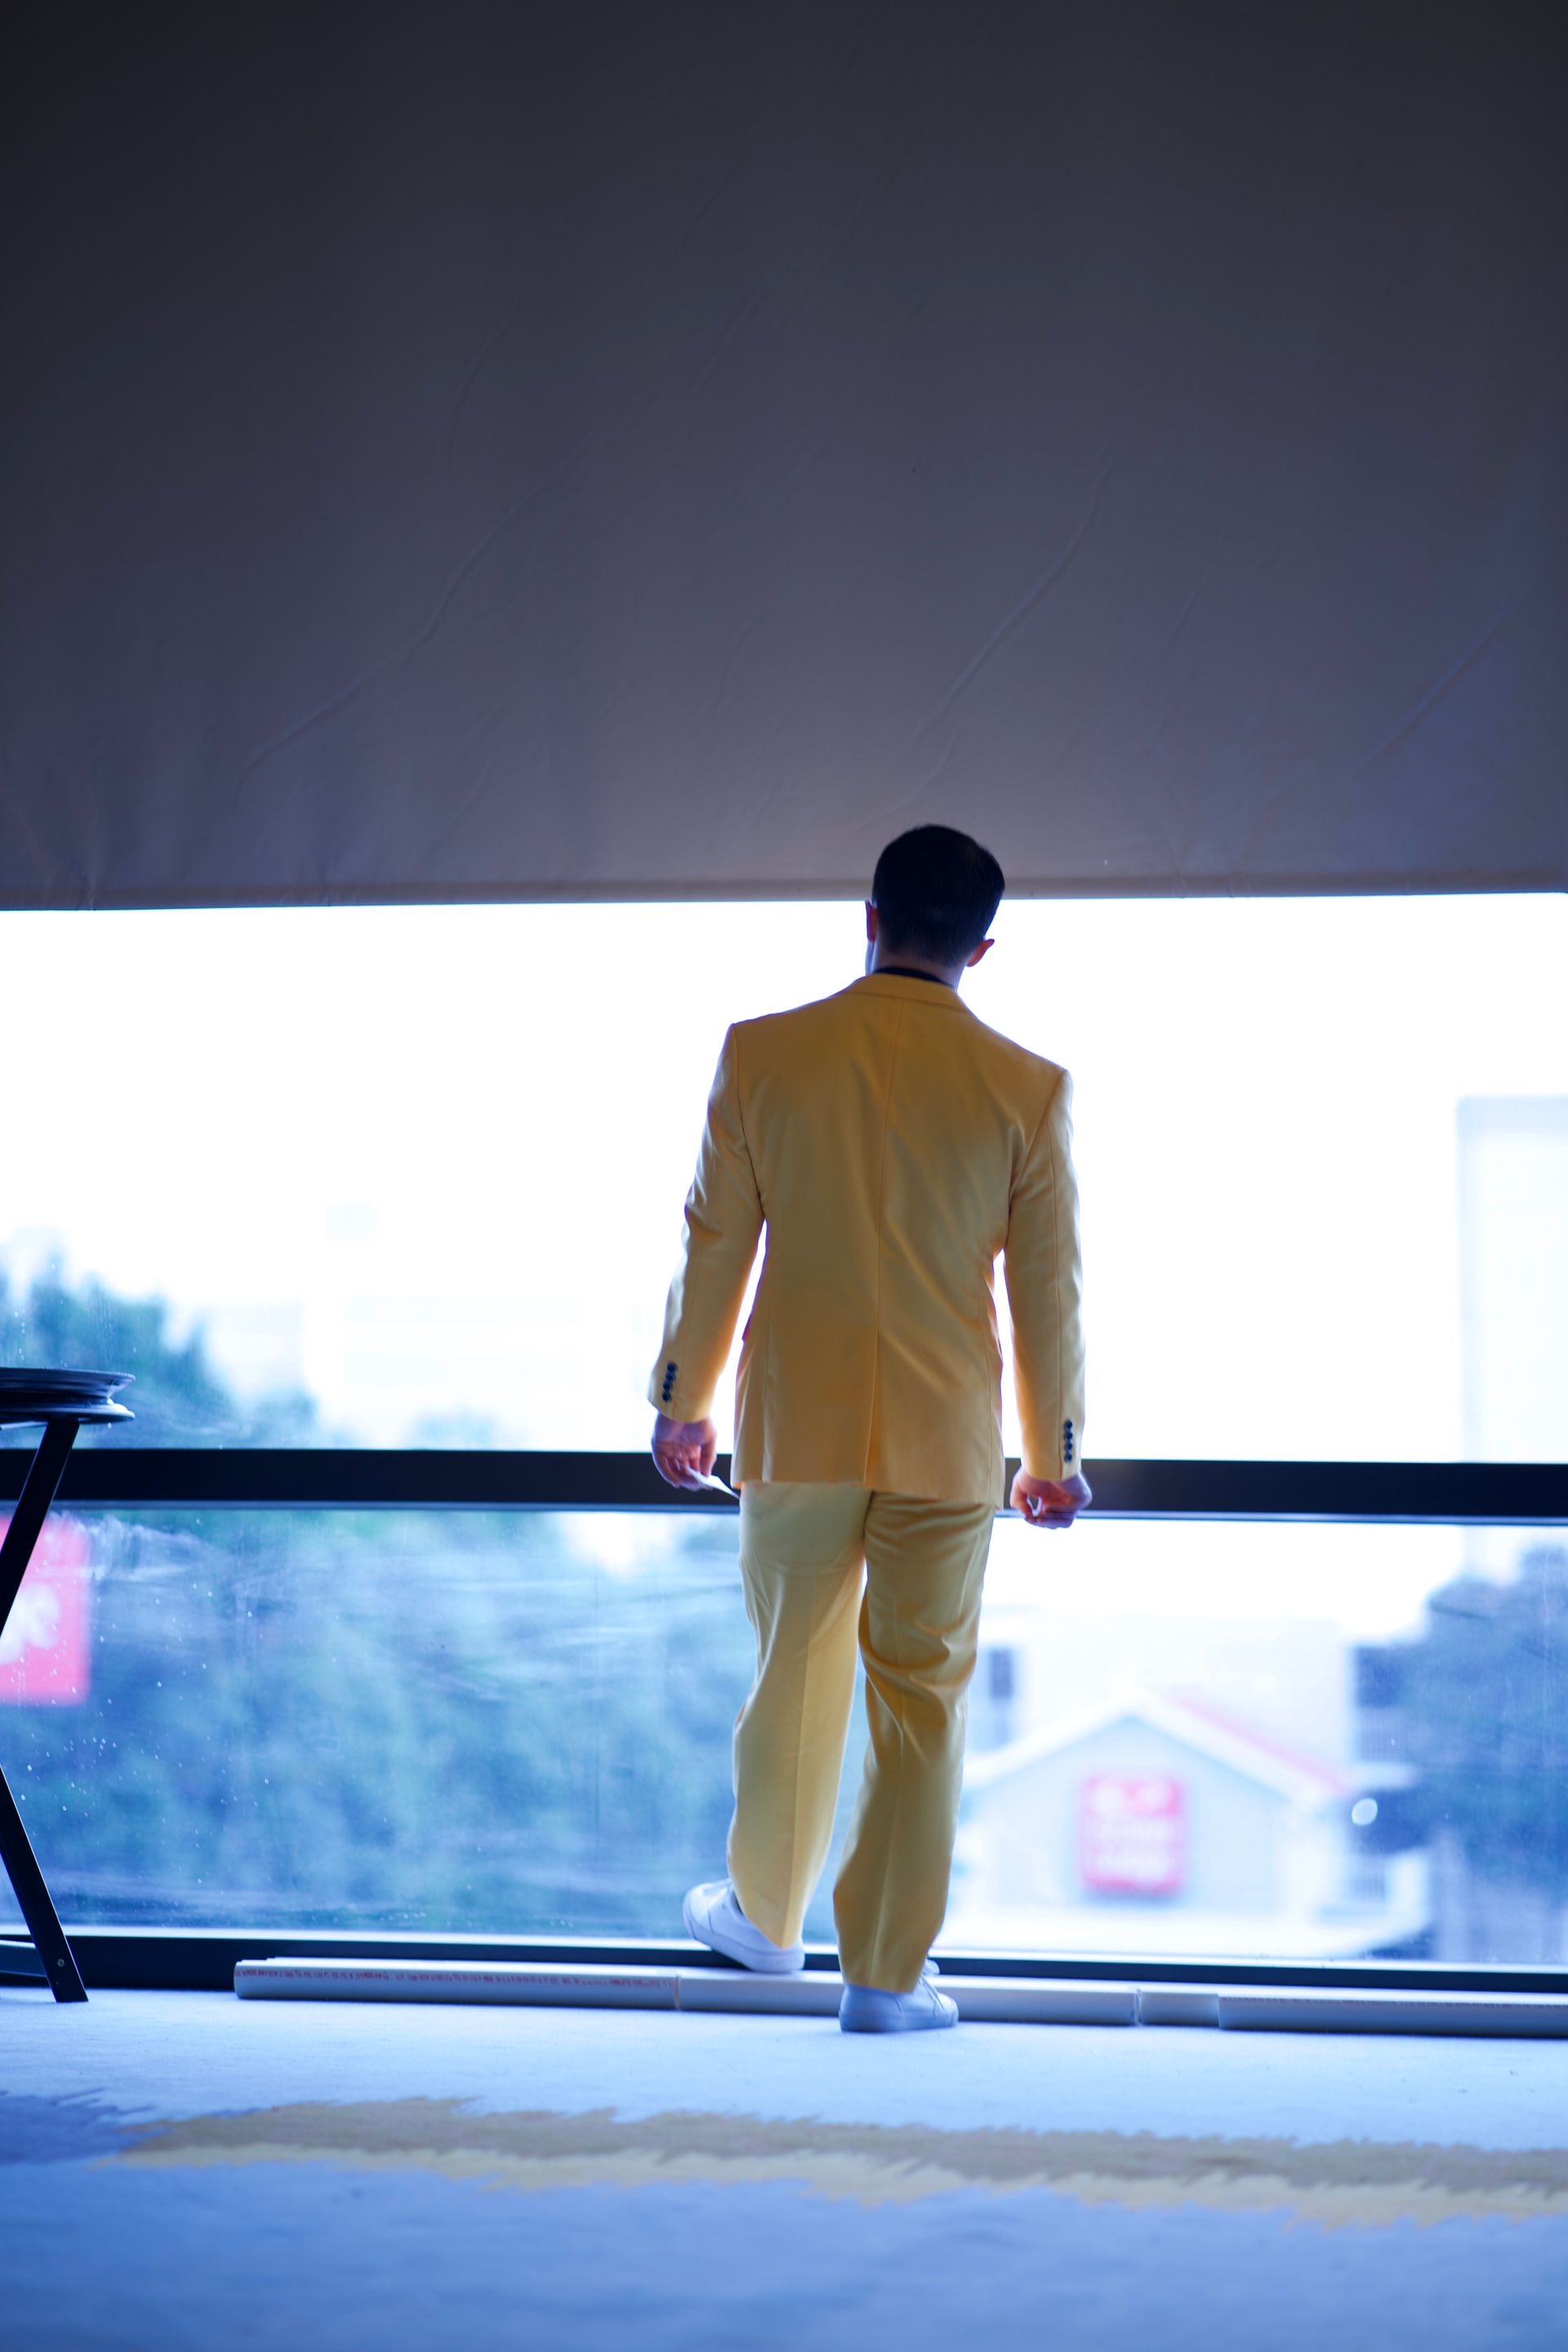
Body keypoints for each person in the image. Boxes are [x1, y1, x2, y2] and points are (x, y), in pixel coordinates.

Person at [648, 825, 1089, 2032]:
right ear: (982, 948)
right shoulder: (1027, 1086)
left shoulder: (763, 1057)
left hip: (799, 1423)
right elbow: (1047, 1289)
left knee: (794, 1667)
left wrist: (682, 1401)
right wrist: (1052, 1455)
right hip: (949, 1439)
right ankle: (887, 1979)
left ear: (869, 915)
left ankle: (767, 1921)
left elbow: (716, 1242)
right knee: (923, 1701)